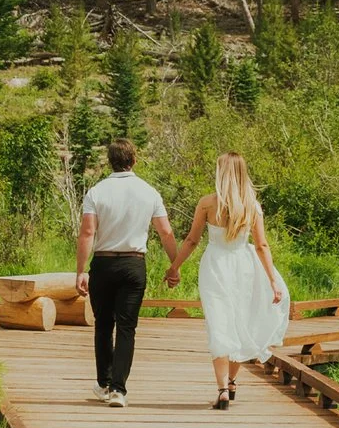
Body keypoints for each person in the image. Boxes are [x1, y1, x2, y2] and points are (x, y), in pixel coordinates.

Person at [167, 152, 290, 409]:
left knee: (219, 324)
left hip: (215, 266)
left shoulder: (208, 203)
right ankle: (233, 382)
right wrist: (272, 281)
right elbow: (262, 245)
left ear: (220, 173)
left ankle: (222, 388)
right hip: (244, 266)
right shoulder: (252, 206)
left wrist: (174, 268)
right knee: (240, 321)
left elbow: (192, 240)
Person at [73, 136, 182, 408]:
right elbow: (166, 232)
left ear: (110, 162)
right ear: (134, 160)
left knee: (103, 325)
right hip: (134, 265)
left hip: (103, 263)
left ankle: (103, 383)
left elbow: (88, 233)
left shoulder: (96, 192)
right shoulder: (149, 192)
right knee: (126, 327)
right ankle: (118, 390)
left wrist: (80, 271)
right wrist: (174, 266)